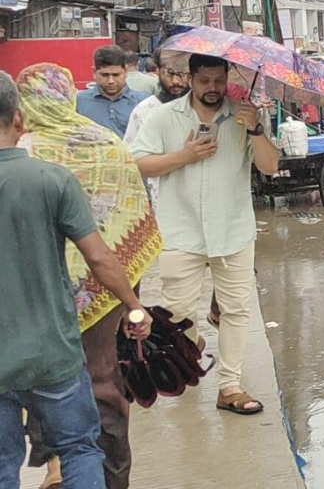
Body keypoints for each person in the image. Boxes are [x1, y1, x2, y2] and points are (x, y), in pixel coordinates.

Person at [0, 70, 153, 489]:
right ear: (17, 118)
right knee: (86, 437)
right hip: (66, 331)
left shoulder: (37, 154)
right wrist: (133, 304)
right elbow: (108, 251)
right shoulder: (98, 151)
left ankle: (48, 472)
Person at [132, 54, 279, 416]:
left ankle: (229, 386)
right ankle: (192, 343)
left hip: (234, 231)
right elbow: (138, 162)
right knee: (177, 315)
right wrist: (184, 156)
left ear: (226, 78)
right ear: (190, 78)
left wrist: (257, 130)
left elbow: (271, 166)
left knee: (235, 310)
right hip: (181, 232)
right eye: (204, 81)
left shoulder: (244, 116)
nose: (211, 89)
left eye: (218, 81)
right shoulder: (164, 117)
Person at [77, 46, 147, 138]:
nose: (111, 81)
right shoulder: (78, 102)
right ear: (94, 72)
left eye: (116, 75)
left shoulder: (143, 102)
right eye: (104, 75)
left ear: (126, 71)